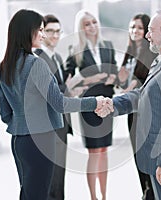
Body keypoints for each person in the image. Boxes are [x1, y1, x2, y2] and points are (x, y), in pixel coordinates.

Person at [0, 9, 110, 200]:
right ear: (27, 32)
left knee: (28, 192)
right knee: (40, 193)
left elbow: (5, 114)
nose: (43, 34)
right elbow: (59, 103)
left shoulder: (2, 67)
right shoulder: (36, 64)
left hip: (19, 141)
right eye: (39, 30)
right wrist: (94, 102)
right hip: (41, 139)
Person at [96, 10, 161, 200]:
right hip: (160, 160)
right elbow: (144, 95)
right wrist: (113, 104)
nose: (147, 35)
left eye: (151, 30)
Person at [34, 14, 88, 200]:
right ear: (41, 33)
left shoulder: (56, 57)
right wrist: (69, 88)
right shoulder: (37, 59)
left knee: (59, 176)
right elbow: (49, 91)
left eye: (58, 31)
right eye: (50, 31)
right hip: (48, 126)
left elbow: (60, 87)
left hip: (61, 124)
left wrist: (72, 89)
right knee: (50, 178)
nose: (55, 35)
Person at [65, 9, 118, 200]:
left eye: (94, 22)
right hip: (88, 106)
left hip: (107, 104)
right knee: (93, 151)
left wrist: (113, 77)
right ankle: (93, 197)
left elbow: (116, 72)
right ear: (81, 28)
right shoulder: (75, 51)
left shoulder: (108, 46)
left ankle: (104, 196)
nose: (92, 27)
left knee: (104, 151)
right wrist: (91, 79)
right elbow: (68, 81)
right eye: (87, 24)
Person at [118, 13, 157, 200]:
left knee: (147, 153)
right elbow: (122, 82)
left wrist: (132, 84)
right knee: (137, 153)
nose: (135, 31)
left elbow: (149, 82)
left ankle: (152, 192)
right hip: (132, 112)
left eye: (139, 28)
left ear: (146, 31)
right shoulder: (129, 53)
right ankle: (146, 192)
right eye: (132, 27)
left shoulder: (151, 53)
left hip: (146, 111)